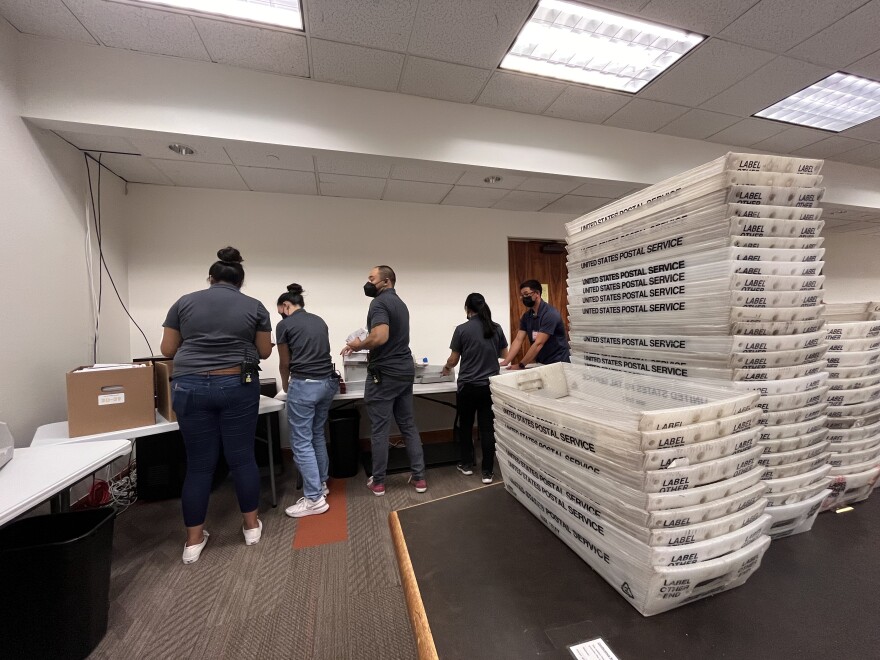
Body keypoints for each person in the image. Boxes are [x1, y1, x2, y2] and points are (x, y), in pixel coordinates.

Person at [161, 247, 273, 564]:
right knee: (241, 457)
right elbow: (264, 352)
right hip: (238, 384)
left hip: (189, 386)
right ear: (240, 281)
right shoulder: (254, 306)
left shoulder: (183, 302)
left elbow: (168, 349)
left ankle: (193, 542)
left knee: (198, 465)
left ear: (210, 278)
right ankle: (251, 527)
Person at [342, 265, 427, 496]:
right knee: (408, 425)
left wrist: (358, 344)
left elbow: (380, 336)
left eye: (372, 278)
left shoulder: (378, 303)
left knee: (380, 429)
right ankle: (420, 478)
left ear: (386, 281)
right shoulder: (401, 304)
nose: (368, 282)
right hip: (404, 371)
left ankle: (378, 482)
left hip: (385, 374)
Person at [276, 283, 338, 518]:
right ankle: (321, 485)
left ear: (285, 306)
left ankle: (314, 499)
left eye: (280, 309)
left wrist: (285, 387)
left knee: (301, 442)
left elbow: (285, 363)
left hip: (305, 385)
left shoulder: (284, 324)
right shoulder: (319, 320)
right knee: (316, 435)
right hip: (327, 384)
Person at [442, 293, 508, 484]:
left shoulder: (462, 330)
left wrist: (447, 367)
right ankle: (487, 471)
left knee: (466, 426)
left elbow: (453, 360)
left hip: (468, 387)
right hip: (489, 387)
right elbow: (504, 354)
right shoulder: (496, 328)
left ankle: (466, 464)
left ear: (467, 309)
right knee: (487, 429)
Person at [501, 279, 569, 370]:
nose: (523, 298)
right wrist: (506, 361)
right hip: (541, 362)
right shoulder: (527, 316)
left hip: (558, 363)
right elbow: (518, 340)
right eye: (521, 295)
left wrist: (521, 365)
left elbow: (539, 343)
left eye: (526, 294)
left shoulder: (550, 314)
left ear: (536, 293)